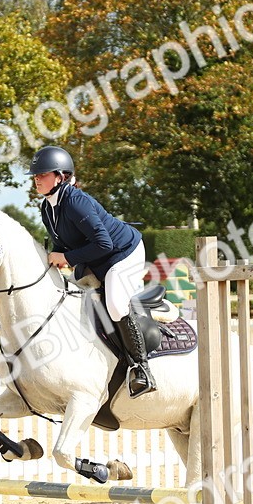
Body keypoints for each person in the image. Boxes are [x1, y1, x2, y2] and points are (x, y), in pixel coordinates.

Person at [30, 145, 155, 397]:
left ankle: (142, 369)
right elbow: (61, 242)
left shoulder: (76, 202)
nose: (36, 179)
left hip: (124, 253)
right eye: (35, 175)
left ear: (60, 176)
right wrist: (56, 256)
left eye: (42, 174)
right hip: (97, 260)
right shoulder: (47, 208)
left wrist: (66, 258)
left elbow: (104, 243)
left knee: (116, 305)